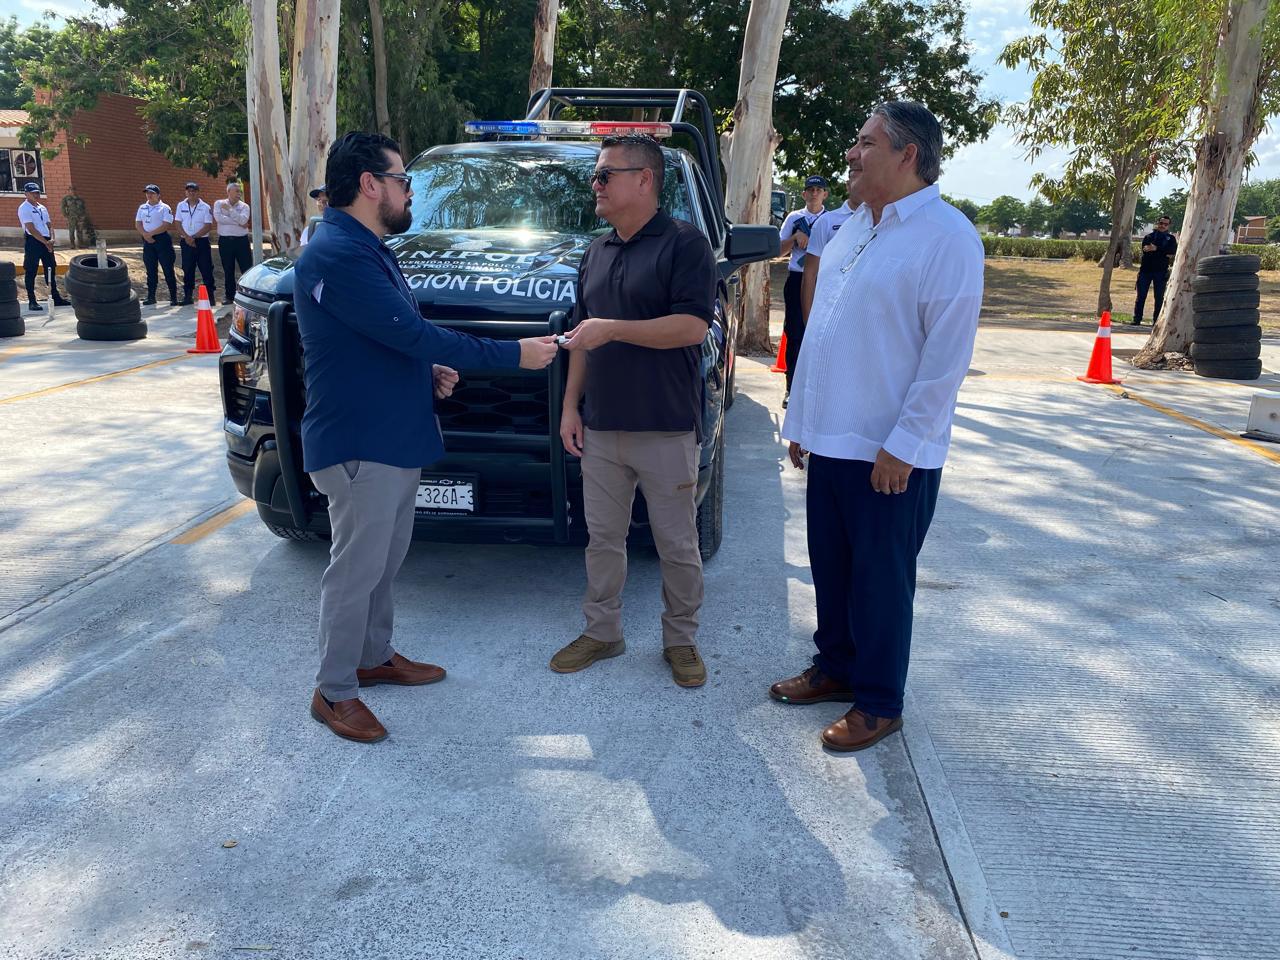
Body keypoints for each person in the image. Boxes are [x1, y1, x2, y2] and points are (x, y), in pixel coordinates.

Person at [295, 131, 558, 743]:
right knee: (355, 570)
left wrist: (424, 371)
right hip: (361, 443)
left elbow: (388, 336)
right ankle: (334, 691)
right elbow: (413, 335)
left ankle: (373, 657)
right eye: (402, 180)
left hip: (391, 436)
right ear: (369, 185)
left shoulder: (366, 246)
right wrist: (514, 353)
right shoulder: (338, 252)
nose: (408, 192)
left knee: (383, 563)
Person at [771, 102, 984, 752]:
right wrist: (803, 419)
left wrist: (904, 446)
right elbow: (821, 337)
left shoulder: (948, 238)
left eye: (864, 143)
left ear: (906, 154)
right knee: (832, 569)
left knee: (881, 580)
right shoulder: (850, 229)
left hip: (890, 453)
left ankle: (879, 701)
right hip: (832, 438)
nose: (850, 155)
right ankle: (835, 667)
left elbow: (945, 360)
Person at [553, 133, 718, 689]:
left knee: (676, 545)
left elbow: (693, 327)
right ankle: (603, 632)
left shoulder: (684, 245)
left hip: (665, 427)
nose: (594, 185)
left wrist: (613, 329)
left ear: (643, 180)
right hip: (601, 427)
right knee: (602, 540)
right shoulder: (595, 252)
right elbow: (583, 341)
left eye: (605, 176)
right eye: (596, 176)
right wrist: (571, 408)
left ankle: (682, 641)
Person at [777, 175, 828, 403]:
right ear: (804, 194)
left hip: (823, 281)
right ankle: (792, 388)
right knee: (795, 333)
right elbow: (777, 250)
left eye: (819, 189)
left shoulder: (833, 219)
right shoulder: (794, 218)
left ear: (825, 194)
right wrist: (795, 238)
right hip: (797, 279)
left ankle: (819, 390)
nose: (814, 193)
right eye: (810, 189)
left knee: (822, 335)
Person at [799, 174, 860, 327]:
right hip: (829, 307)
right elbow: (810, 274)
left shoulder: (883, 220)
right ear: (848, 185)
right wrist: (809, 323)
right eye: (857, 177)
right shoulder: (827, 221)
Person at [17, 183, 70, 312]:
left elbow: (49, 225)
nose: (36, 195)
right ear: (26, 194)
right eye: (33, 193)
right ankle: (32, 300)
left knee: (51, 268)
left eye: (37, 192)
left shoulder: (42, 208)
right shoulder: (24, 208)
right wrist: (44, 242)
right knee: (31, 270)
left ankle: (55, 297)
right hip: (33, 241)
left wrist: (51, 239)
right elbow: (31, 228)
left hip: (46, 241)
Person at [135, 184, 178, 306]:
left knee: (167, 269)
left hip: (161, 240)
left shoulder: (164, 208)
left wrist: (151, 234)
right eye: (147, 193)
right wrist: (145, 235)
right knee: (150, 270)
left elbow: (166, 224)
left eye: (152, 193)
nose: (149, 195)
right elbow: (138, 223)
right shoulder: (142, 207)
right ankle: (151, 296)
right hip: (147, 241)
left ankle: (173, 297)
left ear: (158, 195)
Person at [175, 181, 216, 305]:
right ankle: (188, 296)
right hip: (186, 241)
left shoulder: (205, 207)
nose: (191, 193)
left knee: (206, 269)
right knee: (187, 269)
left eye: (194, 191)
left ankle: (210, 297)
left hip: (201, 242)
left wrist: (194, 237)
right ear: (186, 192)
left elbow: (208, 226)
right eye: (189, 191)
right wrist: (187, 237)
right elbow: (177, 223)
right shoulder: (181, 205)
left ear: (198, 192)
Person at [213, 180, 252, 305]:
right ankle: (229, 296)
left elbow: (244, 219)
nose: (239, 193)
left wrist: (230, 210)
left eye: (240, 191)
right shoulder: (219, 203)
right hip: (225, 242)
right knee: (228, 269)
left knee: (246, 268)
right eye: (237, 191)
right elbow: (219, 219)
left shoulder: (244, 206)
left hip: (242, 241)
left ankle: (248, 294)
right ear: (229, 191)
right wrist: (239, 222)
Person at [1134, 215, 1177, 326]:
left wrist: (1156, 249)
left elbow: (1172, 251)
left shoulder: (1171, 239)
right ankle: (1136, 319)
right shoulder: (1149, 237)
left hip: (1161, 272)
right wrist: (1162, 252)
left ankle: (1156, 321)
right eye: (1161, 223)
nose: (1162, 226)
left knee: (1159, 297)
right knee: (1141, 296)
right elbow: (1145, 249)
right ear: (1157, 223)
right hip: (1145, 271)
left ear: (1169, 226)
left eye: (1165, 224)